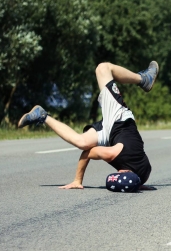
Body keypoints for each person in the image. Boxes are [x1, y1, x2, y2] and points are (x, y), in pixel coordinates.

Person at [17, 61, 159, 192]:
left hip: (110, 135)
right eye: (120, 174)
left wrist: (138, 185)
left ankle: (42, 116)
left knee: (81, 142)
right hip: (120, 120)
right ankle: (144, 79)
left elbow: (136, 179)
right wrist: (78, 179)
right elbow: (88, 154)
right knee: (103, 68)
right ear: (128, 173)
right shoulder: (113, 153)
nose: (118, 172)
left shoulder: (143, 174)